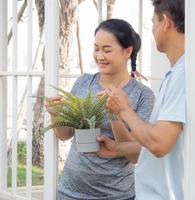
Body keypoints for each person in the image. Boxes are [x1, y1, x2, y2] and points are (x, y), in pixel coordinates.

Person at [45, 18, 155, 200]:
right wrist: (55, 113)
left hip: (116, 195)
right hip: (70, 192)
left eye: (107, 49)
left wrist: (115, 115)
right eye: (96, 48)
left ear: (127, 51)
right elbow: (66, 134)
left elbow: (135, 154)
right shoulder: (84, 82)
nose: (99, 56)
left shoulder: (143, 95)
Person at [97, 0, 185, 199]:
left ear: (166, 22)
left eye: (153, 22)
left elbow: (159, 143)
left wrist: (123, 110)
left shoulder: (185, 75)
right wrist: (119, 148)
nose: (152, 30)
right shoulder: (177, 73)